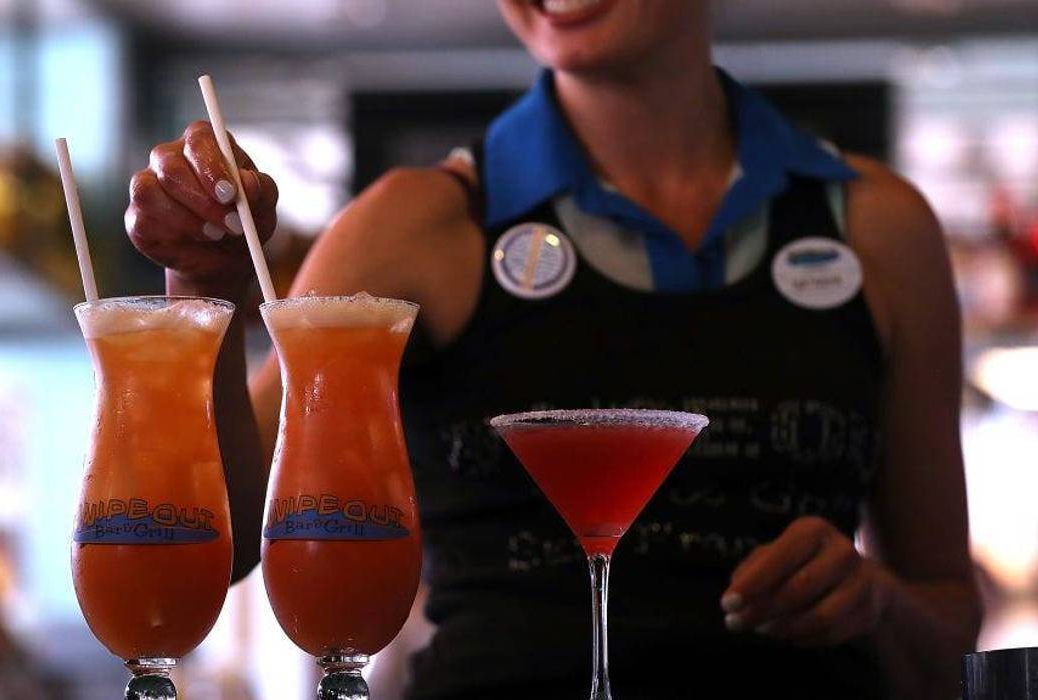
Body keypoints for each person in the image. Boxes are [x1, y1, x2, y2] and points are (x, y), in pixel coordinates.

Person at [124, 1, 980, 697]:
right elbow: (221, 540)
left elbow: (945, 631)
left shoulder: (876, 227)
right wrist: (203, 291)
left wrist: (876, 603)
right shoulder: (414, 226)